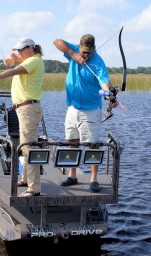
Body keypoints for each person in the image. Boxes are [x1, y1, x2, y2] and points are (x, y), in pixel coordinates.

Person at [53, 34, 118, 193]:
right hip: (72, 108)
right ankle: (72, 175)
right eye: (83, 52)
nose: (85, 55)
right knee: (72, 142)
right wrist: (73, 54)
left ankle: (93, 179)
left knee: (92, 145)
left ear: (94, 49)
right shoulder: (74, 51)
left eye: (88, 53)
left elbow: (104, 82)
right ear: (79, 47)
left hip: (90, 110)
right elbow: (57, 42)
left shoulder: (98, 62)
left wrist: (109, 94)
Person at [0, 37, 45, 197]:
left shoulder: (33, 61)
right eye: (17, 50)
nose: (18, 52)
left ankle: (34, 188)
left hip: (28, 109)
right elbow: (13, 62)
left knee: (29, 148)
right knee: (24, 146)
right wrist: (11, 58)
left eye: (20, 50)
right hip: (24, 109)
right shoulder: (29, 60)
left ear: (30, 48)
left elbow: (13, 71)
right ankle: (25, 179)